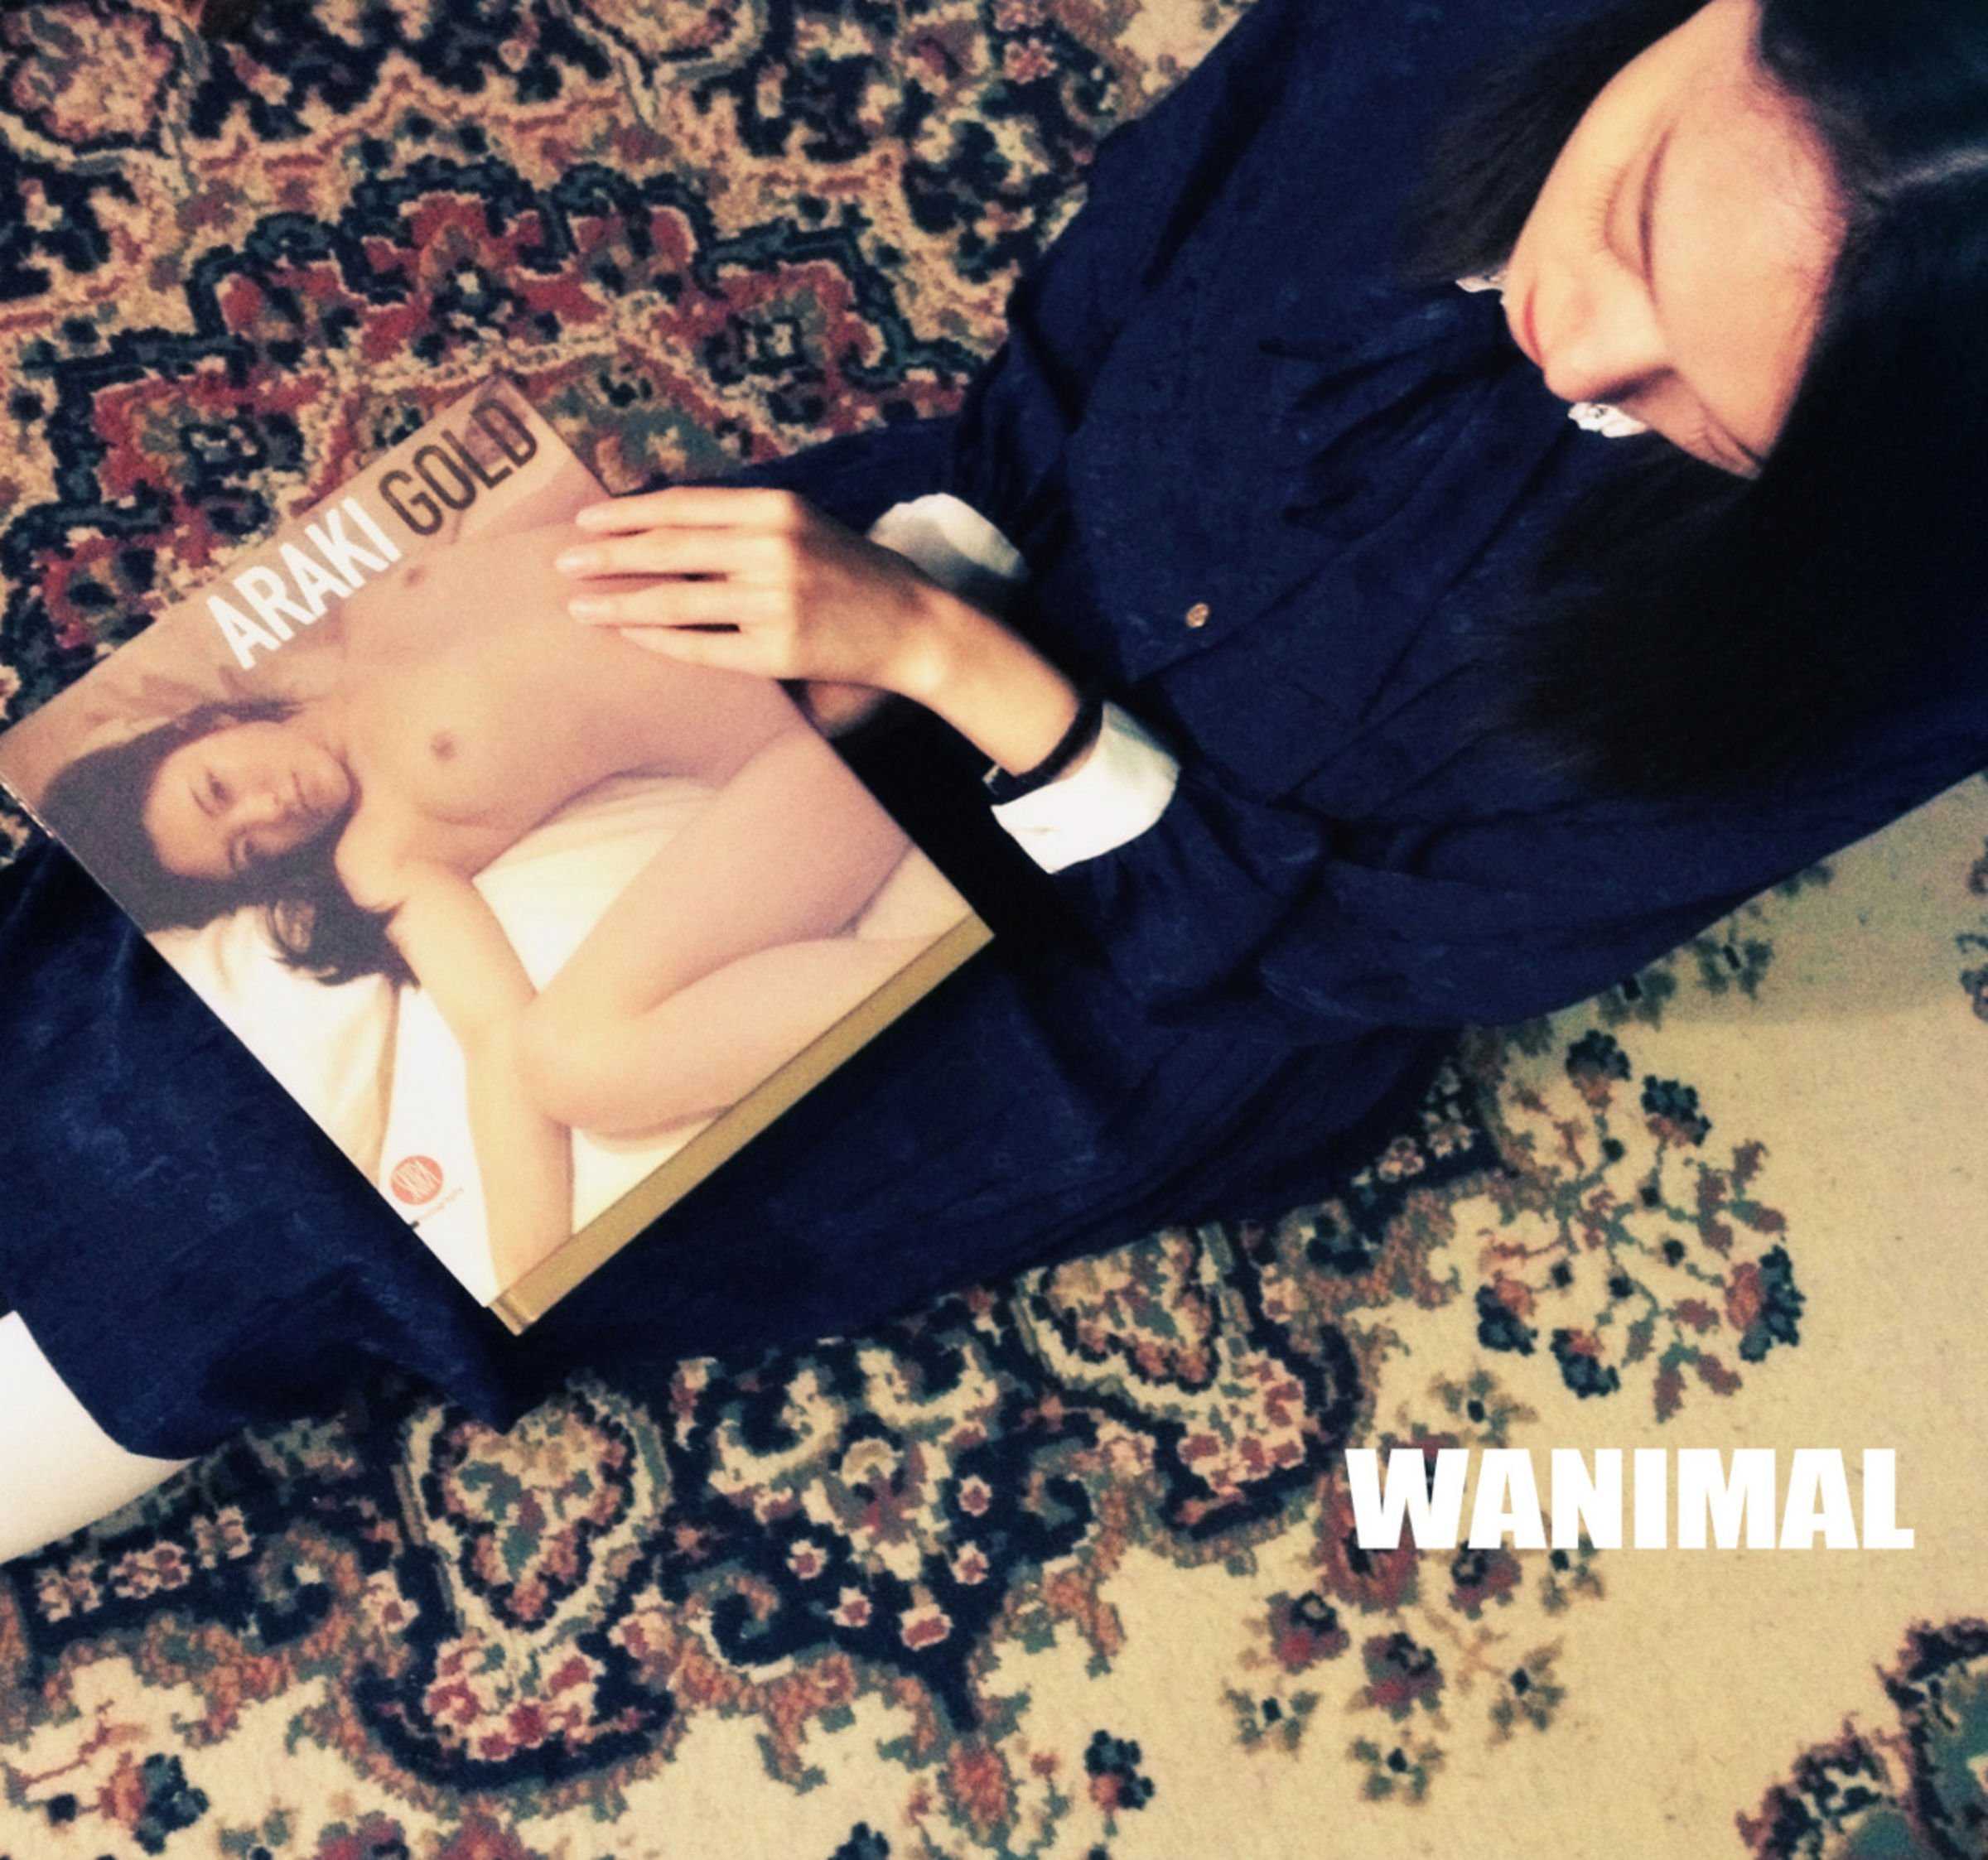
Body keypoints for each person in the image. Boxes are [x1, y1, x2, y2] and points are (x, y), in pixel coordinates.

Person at [4, 0, 1987, 1563]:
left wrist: (961, 672)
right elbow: (1123, 270)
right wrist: (920, 577)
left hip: (1170, 941)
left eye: (1698, 414)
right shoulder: (1454, 31)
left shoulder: (1874, 630)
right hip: (951, 573)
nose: (1582, 351)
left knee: (293, 1215)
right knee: (136, 981)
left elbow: (1342, 948)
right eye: (1629, 213)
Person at [34, 518, 935, 1285]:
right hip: (825, 741)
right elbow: (500, 1040)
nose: (269, 812)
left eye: (218, 790)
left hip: (812, 565)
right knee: (568, 1064)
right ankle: (980, 952)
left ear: (205, 725)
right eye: (246, 853)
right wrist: (528, 1283)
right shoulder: (380, 848)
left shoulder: (370, 597)